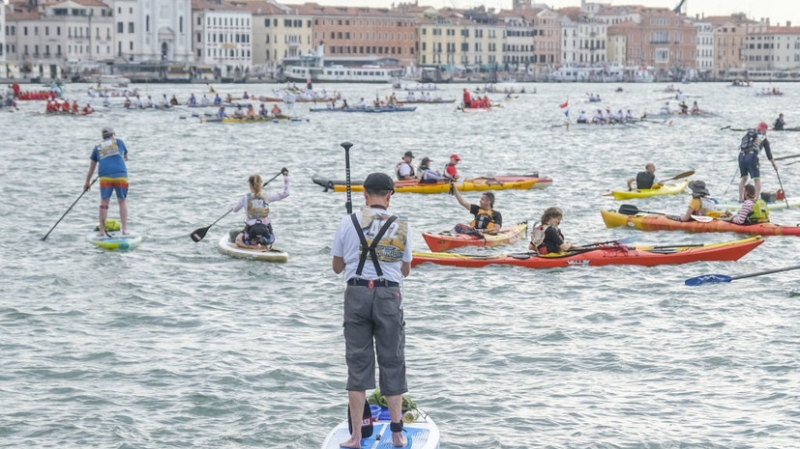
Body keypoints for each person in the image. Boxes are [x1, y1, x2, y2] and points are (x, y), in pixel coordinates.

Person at [331, 172, 411, 449]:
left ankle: (355, 437)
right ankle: (397, 434)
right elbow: (405, 270)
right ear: (390, 195)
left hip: (356, 294)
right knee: (392, 360)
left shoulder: (347, 222)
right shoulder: (400, 225)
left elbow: (337, 267)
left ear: (365, 194)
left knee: (358, 363)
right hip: (389, 294)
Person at [84, 127, 130, 236]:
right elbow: (125, 156)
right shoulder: (119, 142)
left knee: (104, 202)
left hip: (105, 176)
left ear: (103, 137)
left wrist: (87, 182)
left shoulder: (97, 147)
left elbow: (92, 167)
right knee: (122, 201)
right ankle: (124, 230)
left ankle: (101, 231)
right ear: (113, 134)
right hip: (120, 174)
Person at [232, 170, 290, 249]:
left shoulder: (245, 198)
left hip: (251, 231)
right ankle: (265, 244)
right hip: (266, 230)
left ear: (250, 185)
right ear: (260, 184)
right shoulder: (267, 196)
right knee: (267, 234)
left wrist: (235, 206)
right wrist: (285, 176)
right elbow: (286, 193)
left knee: (237, 239)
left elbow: (235, 210)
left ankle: (251, 247)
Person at [739, 121, 777, 202]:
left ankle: (740, 198)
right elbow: (769, 154)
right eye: (766, 130)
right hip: (751, 157)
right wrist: (774, 165)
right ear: (764, 129)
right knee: (757, 179)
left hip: (741, 156)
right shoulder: (763, 138)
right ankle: (755, 199)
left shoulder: (750, 133)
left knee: (744, 178)